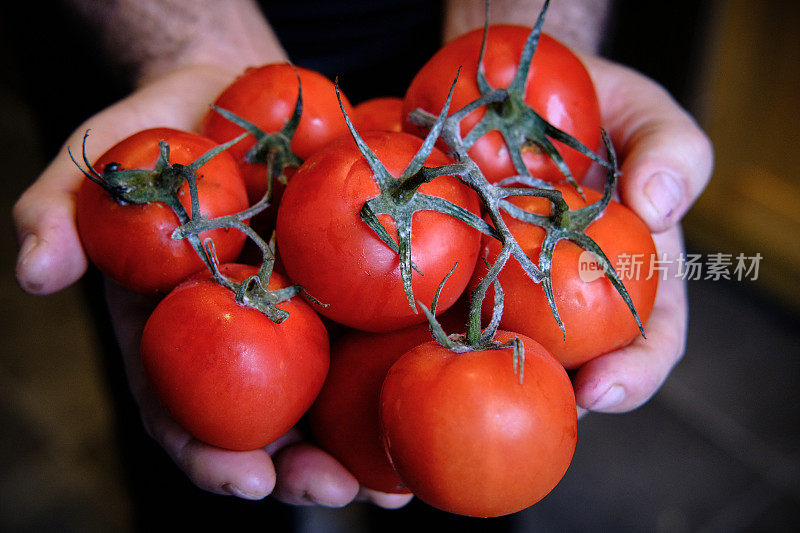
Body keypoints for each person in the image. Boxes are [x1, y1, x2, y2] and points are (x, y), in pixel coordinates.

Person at [11, 0, 713, 512]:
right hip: (160, 64)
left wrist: (539, 22)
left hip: (439, 56)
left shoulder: (480, 207)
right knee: (200, 492)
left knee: (444, 496)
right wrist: (182, 37)